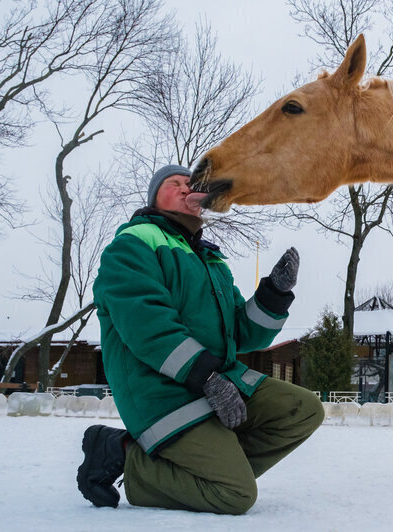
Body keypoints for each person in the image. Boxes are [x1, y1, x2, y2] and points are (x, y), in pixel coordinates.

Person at [77, 164, 324, 514]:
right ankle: (124, 455)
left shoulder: (209, 259)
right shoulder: (132, 244)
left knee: (302, 410)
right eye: (173, 183)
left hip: (218, 383)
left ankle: (215, 467)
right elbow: (147, 325)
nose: (184, 188)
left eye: (189, 185)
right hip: (164, 395)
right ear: (154, 198)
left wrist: (274, 294)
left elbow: (242, 334)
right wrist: (206, 377)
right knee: (234, 494)